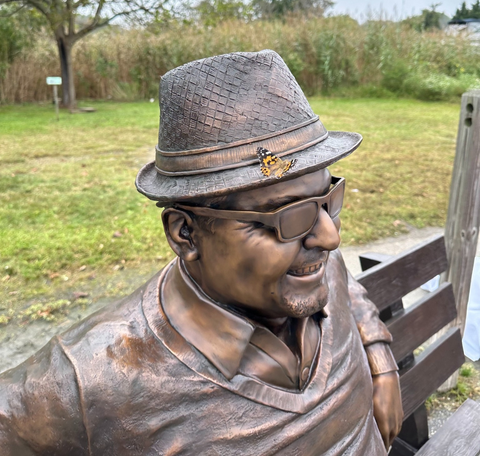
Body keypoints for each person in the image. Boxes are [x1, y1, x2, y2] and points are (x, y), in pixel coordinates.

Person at [0, 50, 402, 455]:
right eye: (289, 217)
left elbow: (343, 281)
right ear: (185, 233)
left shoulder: (308, 267)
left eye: (329, 199)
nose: (330, 237)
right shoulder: (89, 379)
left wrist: (380, 358)